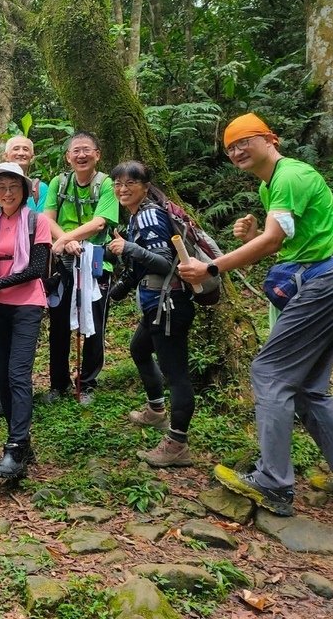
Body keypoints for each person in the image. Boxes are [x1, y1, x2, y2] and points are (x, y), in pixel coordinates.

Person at [179, 113, 333, 515]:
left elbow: (274, 239)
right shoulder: (269, 186)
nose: (237, 151)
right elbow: (279, 241)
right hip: (329, 281)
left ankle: (273, 482)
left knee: (269, 373)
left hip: (325, 281)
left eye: (245, 141)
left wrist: (212, 267)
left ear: (268, 139)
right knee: (309, 387)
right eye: (230, 147)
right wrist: (253, 234)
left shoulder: (291, 175)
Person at [106, 161, 196, 468]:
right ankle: (156, 411)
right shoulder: (136, 217)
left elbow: (164, 261)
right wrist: (119, 288)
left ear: (146, 186)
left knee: (177, 374)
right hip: (155, 304)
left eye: (130, 183)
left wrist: (127, 248)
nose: (123, 189)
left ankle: (177, 444)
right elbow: (141, 265)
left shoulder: (149, 215)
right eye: (118, 183)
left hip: (169, 304)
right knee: (139, 348)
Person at [0, 163, 52, 478]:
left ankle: (14, 450)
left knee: (18, 374)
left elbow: (39, 269)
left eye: (13, 186)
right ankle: (23, 441)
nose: (7, 192)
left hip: (27, 304)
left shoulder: (36, 221)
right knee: (0, 376)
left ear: (24, 190)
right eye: (1, 187)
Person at [42, 130, 118, 405]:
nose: (82, 155)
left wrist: (65, 239)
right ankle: (58, 383)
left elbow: (100, 223)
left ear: (97, 155)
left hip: (97, 263)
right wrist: (67, 241)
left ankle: (87, 383)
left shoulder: (107, 184)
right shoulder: (58, 183)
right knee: (60, 321)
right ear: (68, 157)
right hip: (63, 263)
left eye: (87, 150)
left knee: (94, 323)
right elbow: (46, 218)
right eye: (76, 151)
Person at [0, 136, 49, 220]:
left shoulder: (40, 188)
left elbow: (43, 222)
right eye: (16, 149)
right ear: (5, 156)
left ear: (32, 157)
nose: (21, 153)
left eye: (25, 149)